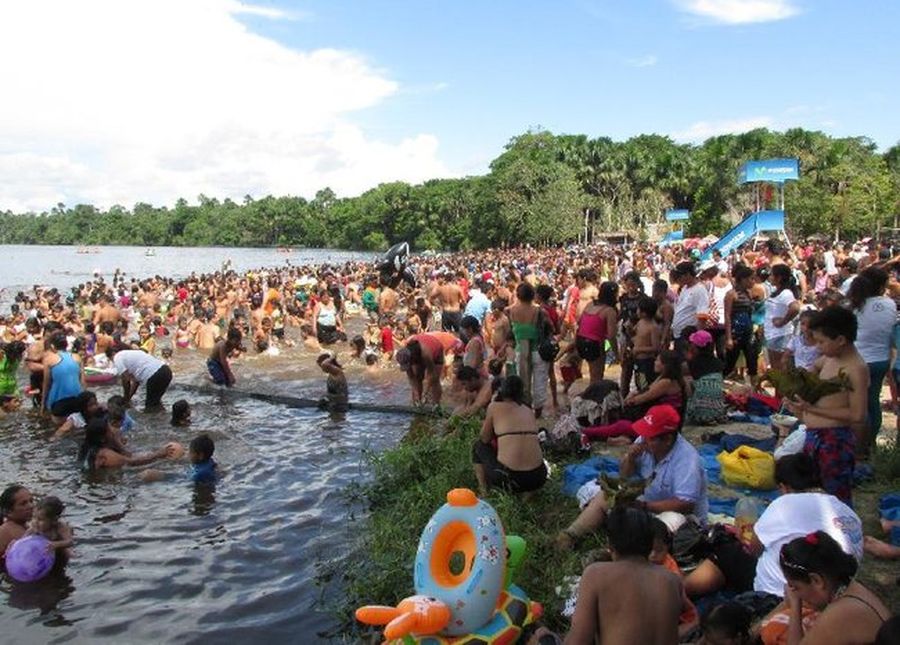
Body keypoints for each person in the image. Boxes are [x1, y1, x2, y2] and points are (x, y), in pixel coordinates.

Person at [683, 454, 863, 601]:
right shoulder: (848, 512)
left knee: (730, 553)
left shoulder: (786, 504)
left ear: (783, 487)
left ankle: (682, 591)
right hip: (834, 593)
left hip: (783, 592)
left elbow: (753, 548)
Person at [559, 404, 708, 548]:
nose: (643, 438)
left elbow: (685, 504)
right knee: (604, 496)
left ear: (668, 439)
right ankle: (570, 535)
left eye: (649, 437)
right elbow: (624, 475)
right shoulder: (644, 442)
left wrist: (644, 506)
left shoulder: (687, 460)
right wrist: (630, 458)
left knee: (663, 526)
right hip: (650, 505)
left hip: (679, 517)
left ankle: (620, 550)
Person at [537, 508, 686, 645]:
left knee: (540, 634)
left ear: (610, 544)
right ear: (650, 543)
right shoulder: (672, 580)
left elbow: (579, 640)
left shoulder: (596, 574)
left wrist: (546, 638)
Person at [785, 307, 868, 505]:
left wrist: (811, 409)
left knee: (835, 498)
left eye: (821, 341)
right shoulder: (830, 357)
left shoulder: (856, 368)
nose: (818, 347)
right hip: (813, 436)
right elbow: (814, 369)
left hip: (835, 442)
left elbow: (857, 415)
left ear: (840, 340)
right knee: (811, 491)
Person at [774, 531, 888, 645]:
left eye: (796, 587)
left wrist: (795, 605)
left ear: (816, 580)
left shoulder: (838, 614)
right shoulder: (854, 587)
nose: (795, 594)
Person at [580, 351, 687, 442]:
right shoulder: (664, 378)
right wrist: (632, 394)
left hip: (664, 425)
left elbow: (643, 398)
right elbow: (646, 391)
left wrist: (628, 400)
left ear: (665, 365)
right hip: (659, 420)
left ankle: (585, 432)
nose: (655, 362)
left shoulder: (666, 382)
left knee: (622, 425)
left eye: (658, 360)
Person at [848, 267, 896, 456]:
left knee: (857, 406)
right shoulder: (890, 304)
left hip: (858, 361)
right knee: (873, 402)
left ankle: (859, 446)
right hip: (881, 360)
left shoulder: (855, 306)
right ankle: (871, 444)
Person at [472, 375, 547, 495]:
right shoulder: (528, 410)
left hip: (510, 478)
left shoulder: (494, 407)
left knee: (478, 446)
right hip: (539, 477)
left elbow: (484, 438)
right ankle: (528, 495)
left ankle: (483, 491)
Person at [507, 282, 550, 415]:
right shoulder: (539, 311)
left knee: (522, 381)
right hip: (538, 351)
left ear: (518, 296)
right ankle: (538, 413)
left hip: (521, 351)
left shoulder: (510, 311)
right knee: (540, 382)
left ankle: (524, 411)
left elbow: (510, 333)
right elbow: (551, 328)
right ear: (532, 295)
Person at [77, 417, 173, 470]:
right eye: (110, 430)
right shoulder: (105, 455)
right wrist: (158, 454)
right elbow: (132, 462)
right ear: (102, 439)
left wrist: (116, 442)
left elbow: (127, 453)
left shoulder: (86, 447)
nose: (113, 430)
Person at [724, 264, 761, 384]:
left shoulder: (748, 294)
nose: (753, 281)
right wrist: (729, 337)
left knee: (752, 361)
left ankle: (753, 389)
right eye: (751, 279)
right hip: (736, 333)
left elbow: (750, 313)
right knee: (730, 362)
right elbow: (727, 316)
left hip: (748, 331)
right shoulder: (731, 294)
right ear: (743, 279)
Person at [108, 345, 173, 411]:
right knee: (155, 401)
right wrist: (129, 397)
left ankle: (156, 419)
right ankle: (164, 416)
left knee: (150, 407)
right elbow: (136, 382)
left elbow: (126, 380)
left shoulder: (117, 357)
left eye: (111, 360)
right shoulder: (134, 354)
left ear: (112, 354)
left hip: (154, 376)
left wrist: (125, 398)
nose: (113, 363)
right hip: (166, 371)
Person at [576, 281, 618, 384]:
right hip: (593, 344)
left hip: (580, 340)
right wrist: (616, 354)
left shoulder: (590, 304)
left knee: (591, 373)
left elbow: (579, 321)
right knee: (597, 377)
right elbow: (611, 336)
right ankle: (593, 398)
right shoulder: (609, 311)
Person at [40, 332, 85, 422]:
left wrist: (43, 406)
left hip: (58, 401)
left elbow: (46, 385)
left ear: (52, 346)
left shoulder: (49, 360)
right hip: (77, 400)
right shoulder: (77, 357)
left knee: (57, 430)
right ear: (66, 345)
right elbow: (83, 382)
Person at [684, 329, 726, 425]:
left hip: (698, 411)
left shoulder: (692, 363)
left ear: (695, 347)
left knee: (686, 380)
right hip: (718, 408)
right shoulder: (718, 363)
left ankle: (697, 409)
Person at [764, 264, 800, 371]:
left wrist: (783, 321)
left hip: (780, 335)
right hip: (772, 335)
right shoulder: (777, 292)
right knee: (775, 367)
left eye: (771, 275)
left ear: (778, 277)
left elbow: (795, 308)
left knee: (780, 368)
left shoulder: (786, 293)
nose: (769, 277)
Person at [671, 261, 710, 356]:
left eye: (680, 276)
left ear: (688, 274)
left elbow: (702, 317)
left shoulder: (699, 290)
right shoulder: (684, 288)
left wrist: (697, 341)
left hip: (689, 337)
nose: (679, 279)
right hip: (678, 335)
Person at [26, 496, 73, 560]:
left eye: (40, 519)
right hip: (46, 552)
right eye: (34, 517)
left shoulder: (60, 527)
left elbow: (70, 542)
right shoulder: (34, 528)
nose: (35, 522)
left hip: (59, 550)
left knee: (69, 554)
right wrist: (14, 544)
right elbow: (23, 539)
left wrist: (56, 544)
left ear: (53, 520)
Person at [0, 484, 33, 557]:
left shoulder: (27, 527)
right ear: (8, 511)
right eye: (23, 504)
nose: (31, 506)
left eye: (31, 501)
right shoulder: (5, 531)